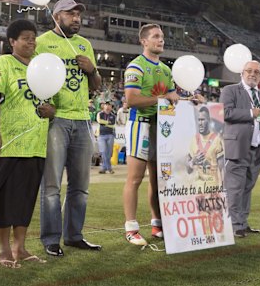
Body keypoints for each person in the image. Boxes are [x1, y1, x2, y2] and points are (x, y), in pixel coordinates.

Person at [0, 0, 102, 256]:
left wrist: (92, 70)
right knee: (51, 187)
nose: (77, 18)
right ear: (56, 16)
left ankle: (74, 236)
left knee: (81, 186)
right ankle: (50, 239)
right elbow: (17, 62)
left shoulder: (85, 44)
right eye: (70, 14)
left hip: (82, 119)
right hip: (55, 119)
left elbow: (97, 86)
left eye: (78, 14)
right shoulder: (40, 43)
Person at [0, 19, 55, 268]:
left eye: (33, 37)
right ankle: (3, 250)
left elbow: (52, 104)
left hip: (36, 144)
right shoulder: (3, 64)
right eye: (25, 38)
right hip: (9, 144)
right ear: (12, 41)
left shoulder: (40, 67)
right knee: (4, 199)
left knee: (25, 199)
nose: (31, 42)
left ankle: (19, 248)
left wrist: (50, 111)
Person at [122, 24, 180, 246]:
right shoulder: (136, 66)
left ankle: (157, 224)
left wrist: (190, 100)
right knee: (135, 178)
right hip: (140, 124)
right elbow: (132, 100)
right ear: (144, 41)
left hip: (161, 127)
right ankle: (131, 228)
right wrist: (162, 98)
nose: (161, 40)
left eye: (162, 37)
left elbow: (172, 97)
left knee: (158, 180)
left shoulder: (166, 70)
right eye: (156, 36)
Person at [220, 60, 260, 238]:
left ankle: (242, 222)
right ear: (241, 73)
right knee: (235, 188)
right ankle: (235, 225)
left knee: (247, 188)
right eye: (249, 71)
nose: (253, 74)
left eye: (257, 72)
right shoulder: (230, 90)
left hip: (257, 149)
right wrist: (250, 113)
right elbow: (225, 113)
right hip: (237, 147)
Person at [186, 106, 224, 184]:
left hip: (213, 189)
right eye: (199, 120)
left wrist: (223, 190)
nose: (200, 123)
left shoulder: (217, 140)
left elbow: (222, 169)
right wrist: (193, 162)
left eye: (203, 120)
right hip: (197, 189)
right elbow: (188, 170)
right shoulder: (193, 140)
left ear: (209, 121)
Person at [96, 101, 116, 174]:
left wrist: (104, 123)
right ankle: (108, 168)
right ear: (103, 106)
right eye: (106, 105)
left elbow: (112, 125)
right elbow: (99, 121)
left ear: (111, 107)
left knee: (109, 152)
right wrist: (107, 122)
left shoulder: (113, 115)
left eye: (109, 105)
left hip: (110, 135)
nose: (107, 107)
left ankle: (104, 168)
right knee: (103, 151)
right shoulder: (100, 114)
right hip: (101, 135)